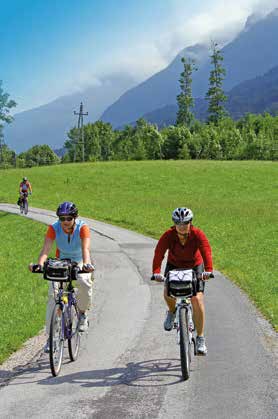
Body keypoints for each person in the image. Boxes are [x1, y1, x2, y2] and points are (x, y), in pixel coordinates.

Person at [29, 201, 94, 352]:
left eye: (68, 218)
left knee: (84, 282)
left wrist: (87, 264)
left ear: (75, 218)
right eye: (62, 218)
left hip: (79, 261)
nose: (65, 222)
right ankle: (51, 338)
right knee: (53, 297)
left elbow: (85, 249)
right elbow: (46, 249)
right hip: (61, 262)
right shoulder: (53, 228)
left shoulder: (82, 228)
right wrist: (39, 264)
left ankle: (83, 314)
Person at [151, 207, 213, 355]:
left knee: (196, 299)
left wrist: (208, 270)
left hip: (195, 266)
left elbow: (206, 250)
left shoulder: (197, 234)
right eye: (178, 223)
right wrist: (156, 272)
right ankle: (172, 312)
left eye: (185, 223)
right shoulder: (168, 235)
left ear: (190, 222)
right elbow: (159, 253)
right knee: (167, 292)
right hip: (174, 266)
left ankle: (200, 338)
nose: (182, 226)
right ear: (174, 224)